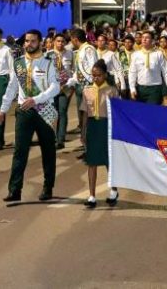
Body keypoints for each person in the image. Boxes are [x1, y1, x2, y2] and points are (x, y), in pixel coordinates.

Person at [0, 29, 59, 202]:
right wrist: (3, 109)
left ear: (40, 43)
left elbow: (55, 87)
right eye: (26, 41)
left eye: (32, 41)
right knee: (20, 152)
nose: (28, 44)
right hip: (24, 112)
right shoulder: (18, 64)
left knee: (48, 151)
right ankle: (14, 190)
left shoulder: (48, 63)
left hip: (44, 112)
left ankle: (48, 187)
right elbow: (11, 87)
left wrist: (37, 99)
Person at [79, 60, 119, 208]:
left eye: (99, 75)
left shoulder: (112, 90)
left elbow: (118, 113)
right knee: (92, 162)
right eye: (93, 75)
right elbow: (84, 114)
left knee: (109, 161)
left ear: (105, 75)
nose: (95, 78)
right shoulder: (87, 90)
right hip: (93, 127)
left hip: (107, 126)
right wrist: (83, 132)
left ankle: (113, 190)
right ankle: (91, 195)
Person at [66, 29, 99, 132]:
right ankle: (85, 137)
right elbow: (79, 70)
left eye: (71, 40)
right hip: (80, 86)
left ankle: (91, 138)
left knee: (89, 114)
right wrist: (70, 82)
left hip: (89, 86)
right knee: (82, 113)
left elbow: (94, 68)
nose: (71, 43)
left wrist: (90, 85)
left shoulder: (89, 49)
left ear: (75, 39)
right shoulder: (80, 50)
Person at [129, 31, 167, 105]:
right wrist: (132, 88)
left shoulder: (158, 54)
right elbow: (132, 73)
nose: (144, 39)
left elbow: (166, 72)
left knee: (151, 112)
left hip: (155, 89)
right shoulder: (136, 55)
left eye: (147, 38)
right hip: (140, 89)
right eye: (143, 37)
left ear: (152, 40)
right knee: (141, 113)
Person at [46, 33, 74, 149]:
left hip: (65, 88)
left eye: (62, 41)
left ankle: (60, 139)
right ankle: (52, 137)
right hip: (52, 88)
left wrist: (70, 83)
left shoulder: (70, 54)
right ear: (53, 42)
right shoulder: (48, 55)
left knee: (62, 112)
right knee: (53, 113)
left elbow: (74, 70)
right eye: (58, 41)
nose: (60, 43)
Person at [118, 34, 135, 99]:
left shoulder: (137, 53)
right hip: (123, 79)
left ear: (133, 43)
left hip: (134, 80)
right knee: (124, 99)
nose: (127, 44)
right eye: (126, 42)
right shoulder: (120, 53)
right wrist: (118, 80)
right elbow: (117, 68)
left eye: (129, 42)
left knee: (133, 99)